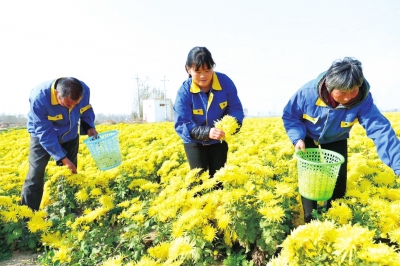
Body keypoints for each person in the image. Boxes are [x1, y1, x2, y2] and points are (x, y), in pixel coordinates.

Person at [282, 57, 400, 223]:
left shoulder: (363, 99)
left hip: (336, 136)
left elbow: (381, 130)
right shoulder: (307, 93)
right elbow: (290, 116)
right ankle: (310, 220)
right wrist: (297, 138)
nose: (348, 98)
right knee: (310, 179)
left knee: (338, 182)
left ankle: (335, 218)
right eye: (343, 92)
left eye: (353, 91)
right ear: (330, 86)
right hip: (307, 136)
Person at [21, 77, 98, 211]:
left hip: (70, 133)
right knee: (35, 173)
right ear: (57, 94)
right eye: (68, 105)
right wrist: (62, 158)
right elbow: (44, 133)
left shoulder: (84, 90)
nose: (72, 107)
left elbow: (85, 109)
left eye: (75, 104)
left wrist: (89, 126)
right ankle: (28, 214)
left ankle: (68, 209)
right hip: (42, 136)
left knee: (70, 172)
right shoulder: (39, 98)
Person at [173, 46, 244, 187]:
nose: (203, 76)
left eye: (207, 70)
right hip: (194, 142)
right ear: (188, 69)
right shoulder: (184, 92)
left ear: (213, 67)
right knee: (198, 183)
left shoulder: (225, 83)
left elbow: (235, 109)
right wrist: (207, 132)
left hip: (218, 141)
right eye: (197, 71)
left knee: (218, 181)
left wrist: (231, 126)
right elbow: (182, 124)